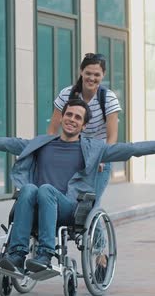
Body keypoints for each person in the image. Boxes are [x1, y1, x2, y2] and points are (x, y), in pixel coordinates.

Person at [0, 99, 155, 274]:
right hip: (36, 204)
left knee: (44, 189)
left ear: (84, 125)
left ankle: (45, 255)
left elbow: (132, 149)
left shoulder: (95, 149)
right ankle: (16, 256)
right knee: (28, 189)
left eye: (78, 117)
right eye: (69, 114)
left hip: (68, 207)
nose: (72, 119)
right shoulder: (42, 143)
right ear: (62, 117)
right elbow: (13, 143)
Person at [48, 53, 121, 206]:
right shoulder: (66, 94)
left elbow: (112, 135)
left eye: (97, 74)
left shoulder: (108, 98)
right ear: (81, 71)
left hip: (98, 155)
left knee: (89, 206)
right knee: (64, 200)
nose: (91, 78)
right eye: (88, 73)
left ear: (103, 75)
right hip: (72, 152)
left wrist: (103, 158)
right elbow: (52, 130)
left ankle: (95, 230)